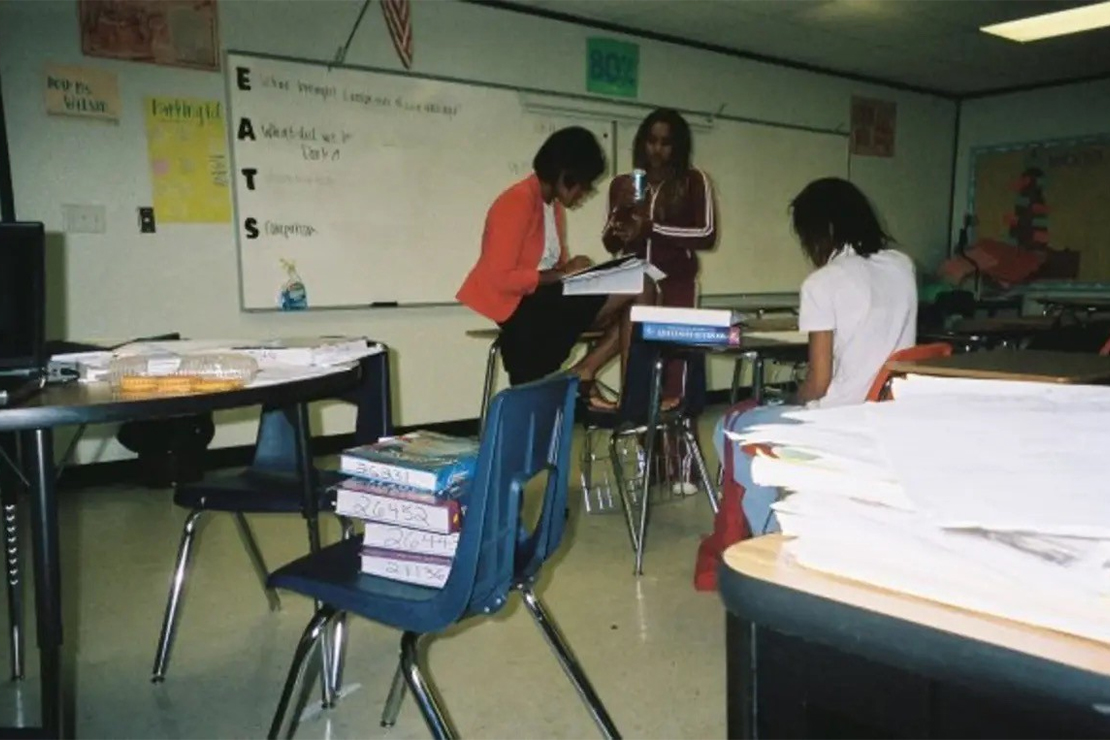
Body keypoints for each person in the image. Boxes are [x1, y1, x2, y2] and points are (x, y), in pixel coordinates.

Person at [714, 177, 917, 535]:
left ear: (819, 232)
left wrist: (793, 399)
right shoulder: (902, 266)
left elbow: (819, 384)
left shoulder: (823, 283)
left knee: (729, 429)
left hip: (839, 421)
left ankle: (773, 536)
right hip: (889, 417)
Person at [457, 126, 637, 393]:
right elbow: (500, 278)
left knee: (639, 285)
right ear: (565, 176)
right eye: (584, 186)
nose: (584, 194)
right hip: (522, 307)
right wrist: (561, 275)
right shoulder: (516, 202)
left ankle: (588, 373)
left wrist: (571, 270)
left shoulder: (551, 206)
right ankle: (590, 378)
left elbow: (549, 268)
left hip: (546, 300)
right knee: (638, 285)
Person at [596, 108, 717, 409]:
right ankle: (643, 451)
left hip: (677, 285)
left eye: (666, 143)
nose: (657, 150)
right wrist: (621, 211)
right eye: (651, 141)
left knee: (675, 389)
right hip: (636, 287)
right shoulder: (623, 184)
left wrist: (651, 228)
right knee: (639, 379)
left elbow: (706, 234)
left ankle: (678, 454)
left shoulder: (693, 180)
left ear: (677, 147)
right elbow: (611, 243)